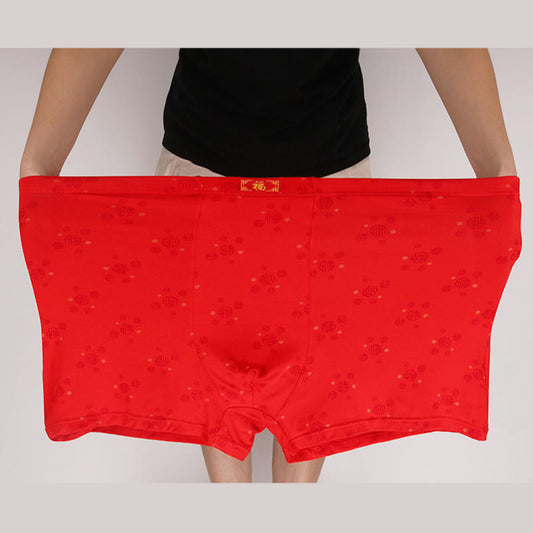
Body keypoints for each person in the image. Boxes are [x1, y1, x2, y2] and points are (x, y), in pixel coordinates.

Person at [19, 47, 517, 483]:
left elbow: (446, 32)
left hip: (334, 191)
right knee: (212, 406)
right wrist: (39, 165)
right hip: (199, 181)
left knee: (317, 401)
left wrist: (497, 175)